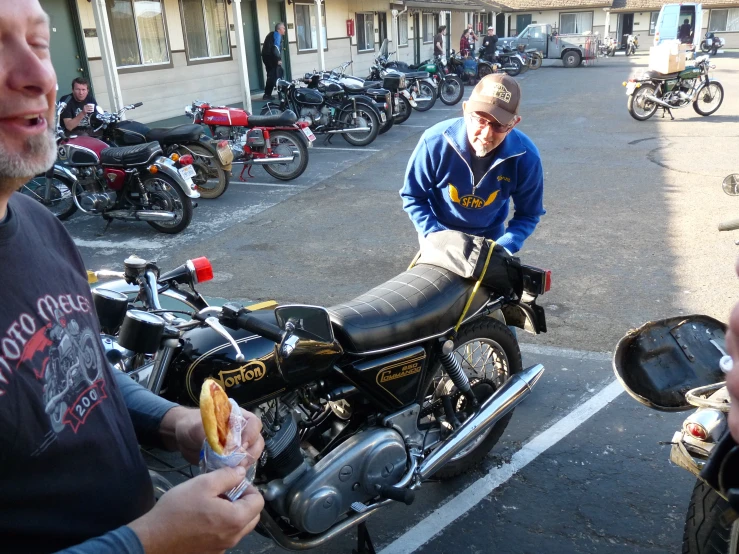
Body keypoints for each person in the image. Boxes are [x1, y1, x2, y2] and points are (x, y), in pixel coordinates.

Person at [0, 2, 266, 553]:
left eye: (38, 43)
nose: (40, 76)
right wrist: (147, 543)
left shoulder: (38, 223)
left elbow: (81, 373)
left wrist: (177, 423)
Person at [400, 73, 545, 255]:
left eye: (498, 125)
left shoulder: (525, 156)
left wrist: (505, 246)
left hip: (490, 238)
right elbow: (413, 196)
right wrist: (434, 234)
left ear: (514, 123)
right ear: (465, 109)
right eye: (480, 120)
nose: (486, 134)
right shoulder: (435, 142)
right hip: (439, 231)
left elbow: (529, 213)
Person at [261, 22, 285, 100]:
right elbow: (275, 49)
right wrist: (278, 59)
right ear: (279, 29)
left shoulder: (272, 34)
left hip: (267, 57)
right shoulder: (277, 35)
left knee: (272, 75)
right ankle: (277, 94)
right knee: (276, 74)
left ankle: (268, 94)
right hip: (271, 58)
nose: (284, 29)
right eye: (283, 28)